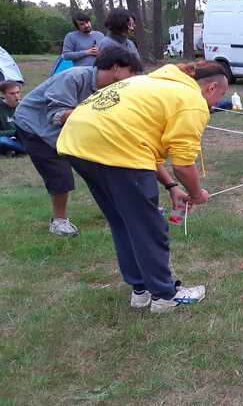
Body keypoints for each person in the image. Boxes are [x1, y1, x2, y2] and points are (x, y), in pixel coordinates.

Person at [57, 62, 229, 313]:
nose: (215, 104)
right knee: (149, 225)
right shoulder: (191, 100)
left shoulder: (156, 83)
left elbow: (147, 147)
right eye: (219, 96)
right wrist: (196, 194)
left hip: (77, 141)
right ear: (211, 87)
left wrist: (171, 186)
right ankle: (164, 296)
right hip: (113, 147)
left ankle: (141, 290)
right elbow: (183, 165)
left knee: (123, 221)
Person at [13, 47, 142, 237]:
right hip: (34, 126)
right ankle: (59, 221)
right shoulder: (73, 77)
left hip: (69, 126)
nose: (132, 77)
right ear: (115, 68)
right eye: (131, 71)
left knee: (100, 166)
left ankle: (120, 210)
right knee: (59, 171)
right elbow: (56, 115)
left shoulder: (112, 89)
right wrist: (98, 116)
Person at [0, 80, 25, 156]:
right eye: (12, 93)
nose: (16, 96)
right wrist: (15, 132)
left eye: (18, 92)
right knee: (2, 141)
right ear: (3, 94)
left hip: (23, 139)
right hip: (7, 139)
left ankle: (12, 150)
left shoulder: (24, 106)